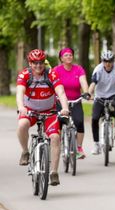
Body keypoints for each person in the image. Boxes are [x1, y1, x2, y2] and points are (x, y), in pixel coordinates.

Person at [16, 49, 69, 186]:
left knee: (55, 137)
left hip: (49, 112)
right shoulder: (25, 75)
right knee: (22, 125)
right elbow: (19, 92)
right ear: (30, 63)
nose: (38, 65)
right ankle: (25, 152)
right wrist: (21, 107)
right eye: (35, 63)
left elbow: (61, 92)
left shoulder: (51, 74)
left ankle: (53, 172)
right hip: (30, 111)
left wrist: (64, 108)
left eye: (41, 63)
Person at [54, 47, 90, 159]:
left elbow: (83, 81)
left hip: (75, 101)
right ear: (61, 58)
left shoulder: (78, 69)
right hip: (60, 102)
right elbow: (52, 83)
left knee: (79, 121)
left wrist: (86, 92)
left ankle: (78, 147)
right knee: (59, 123)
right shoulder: (56, 70)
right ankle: (58, 146)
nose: (69, 57)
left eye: (70, 55)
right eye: (66, 55)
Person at [89, 50, 115, 155]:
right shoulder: (98, 69)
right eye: (105, 61)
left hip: (113, 94)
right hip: (100, 96)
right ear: (102, 61)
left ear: (113, 61)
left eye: (110, 61)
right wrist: (88, 93)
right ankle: (96, 144)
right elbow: (93, 83)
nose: (108, 63)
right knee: (95, 118)